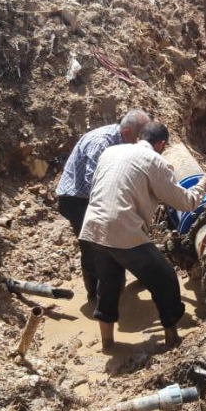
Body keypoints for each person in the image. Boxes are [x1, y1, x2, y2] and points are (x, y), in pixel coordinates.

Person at [79, 121, 206, 351]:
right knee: (165, 278)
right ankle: (172, 339)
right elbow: (187, 202)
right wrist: (204, 181)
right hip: (123, 230)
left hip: (94, 227)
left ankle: (107, 344)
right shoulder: (154, 160)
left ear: (139, 137)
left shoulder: (111, 151)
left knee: (109, 284)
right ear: (161, 144)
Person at [54, 108, 151, 302]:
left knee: (118, 239)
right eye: (138, 138)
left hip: (95, 196)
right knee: (92, 246)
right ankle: (96, 295)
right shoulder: (101, 143)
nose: (140, 143)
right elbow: (94, 180)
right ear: (126, 132)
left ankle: (119, 289)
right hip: (77, 200)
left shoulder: (123, 141)